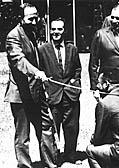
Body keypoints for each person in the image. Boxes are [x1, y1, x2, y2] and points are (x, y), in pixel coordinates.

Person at [4, 3, 58, 168]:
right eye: (31, 18)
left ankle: (50, 163)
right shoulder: (13, 36)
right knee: (23, 135)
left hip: (37, 91)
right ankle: (25, 165)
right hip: (20, 94)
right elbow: (19, 60)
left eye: (36, 17)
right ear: (21, 18)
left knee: (46, 127)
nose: (35, 21)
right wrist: (36, 72)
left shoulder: (32, 32)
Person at [38, 17, 82, 165]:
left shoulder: (72, 49)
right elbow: (39, 71)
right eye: (54, 29)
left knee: (71, 127)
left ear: (64, 31)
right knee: (52, 128)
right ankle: (54, 159)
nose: (56, 32)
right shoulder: (42, 49)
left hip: (70, 95)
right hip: (52, 95)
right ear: (50, 31)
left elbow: (77, 68)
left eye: (59, 29)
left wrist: (75, 82)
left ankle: (70, 156)